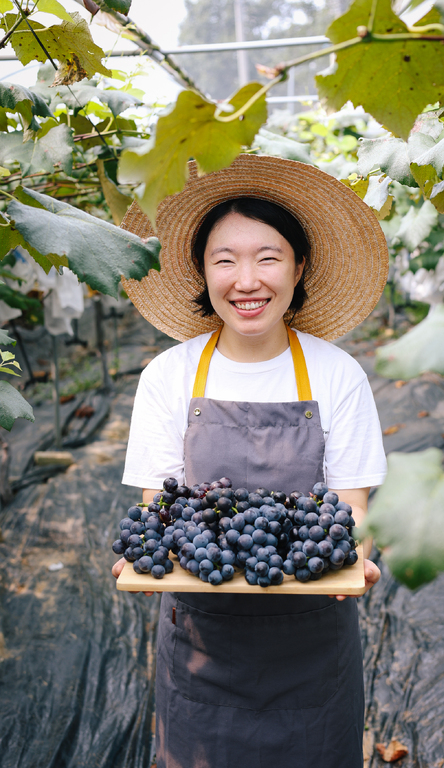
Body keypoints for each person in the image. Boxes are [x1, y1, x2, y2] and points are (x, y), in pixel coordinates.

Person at [112, 154, 388, 768]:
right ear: (202, 272)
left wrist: (354, 556)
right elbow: (160, 508)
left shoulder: (338, 374)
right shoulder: (169, 375)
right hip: (202, 640)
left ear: (299, 267)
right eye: (224, 260)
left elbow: (351, 505)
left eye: (268, 257)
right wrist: (147, 554)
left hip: (312, 635)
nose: (247, 280)